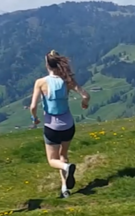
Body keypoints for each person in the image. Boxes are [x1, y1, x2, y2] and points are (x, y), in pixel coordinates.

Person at [29, 50, 90, 198]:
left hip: (52, 126)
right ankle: (65, 188)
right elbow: (86, 95)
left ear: (47, 65)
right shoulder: (67, 80)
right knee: (63, 154)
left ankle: (67, 168)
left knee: (52, 160)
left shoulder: (41, 82)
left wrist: (35, 119)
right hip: (68, 125)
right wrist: (84, 103)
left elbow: (33, 106)